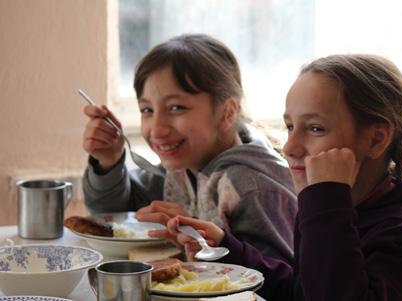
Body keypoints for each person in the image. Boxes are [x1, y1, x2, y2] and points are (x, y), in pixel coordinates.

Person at [156, 54, 402, 300]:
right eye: (290, 126)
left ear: (376, 139)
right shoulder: (336, 211)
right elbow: (304, 291)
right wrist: (229, 249)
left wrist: (326, 199)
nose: (290, 146)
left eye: (315, 128)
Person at [81, 34, 297, 262]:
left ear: (227, 112)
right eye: (147, 110)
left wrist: (198, 237)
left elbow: (279, 283)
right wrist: (109, 161)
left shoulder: (252, 188)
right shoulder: (183, 167)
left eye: (176, 107)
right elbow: (115, 214)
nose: (157, 130)